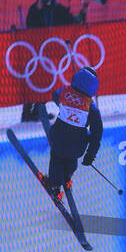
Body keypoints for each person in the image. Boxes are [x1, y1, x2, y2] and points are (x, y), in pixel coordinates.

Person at [38, 65, 104, 201]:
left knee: (57, 155)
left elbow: (54, 95)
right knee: (72, 156)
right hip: (77, 147)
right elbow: (97, 133)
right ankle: (67, 177)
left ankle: (54, 185)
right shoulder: (91, 108)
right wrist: (90, 155)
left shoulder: (64, 92)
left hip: (58, 139)